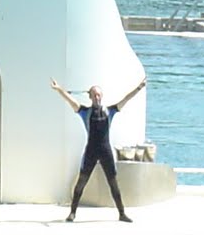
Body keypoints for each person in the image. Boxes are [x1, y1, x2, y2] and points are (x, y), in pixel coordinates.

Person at [49, 75, 146, 223]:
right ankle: (72, 213)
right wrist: (58, 89)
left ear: (102, 96)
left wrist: (139, 88)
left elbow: (126, 98)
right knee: (81, 182)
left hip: (106, 151)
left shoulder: (110, 111)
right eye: (94, 95)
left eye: (99, 95)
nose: (97, 97)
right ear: (90, 97)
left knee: (113, 183)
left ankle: (122, 213)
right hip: (91, 151)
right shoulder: (84, 112)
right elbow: (70, 100)